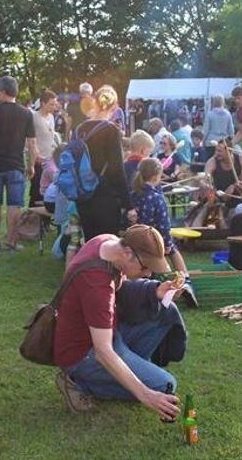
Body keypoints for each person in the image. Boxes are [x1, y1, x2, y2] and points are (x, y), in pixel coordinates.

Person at [52, 225, 183, 418]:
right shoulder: (96, 284)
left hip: (108, 335)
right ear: (128, 253)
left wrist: (154, 291)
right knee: (165, 386)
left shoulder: (107, 242)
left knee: (165, 311)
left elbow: (119, 289)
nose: (148, 273)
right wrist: (145, 394)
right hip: (82, 354)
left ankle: (122, 372)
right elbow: (103, 351)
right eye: (145, 266)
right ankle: (79, 383)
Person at [0, 75, 38, 251]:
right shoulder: (26, 113)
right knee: (14, 205)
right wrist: (31, 165)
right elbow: (32, 143)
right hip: (16, 164)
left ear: (3, 92)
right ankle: (11, 241)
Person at [129, 158, 197, 305]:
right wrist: (167, 243)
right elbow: (164, 224)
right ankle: (186, 282)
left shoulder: (133, 195)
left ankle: (141, 289)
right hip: (155, 240)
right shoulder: (156, 198)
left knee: (146, 268)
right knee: (173, 251)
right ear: (156, 177)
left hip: (136, 240)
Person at [73, 86, 130, 239]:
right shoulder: (111, 130)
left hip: (83, 193)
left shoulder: (79, 129)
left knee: (90, 241)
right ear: (114, 106)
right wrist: (128, 203)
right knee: (107, 242)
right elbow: (117, 169)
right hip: (105, 194)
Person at [30, 89, 60, 206]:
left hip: (50, 159)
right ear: (43, 103)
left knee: (48, 190)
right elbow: (29, 138)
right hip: (39, 160)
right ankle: (32, 214)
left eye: (55, 104)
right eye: (51, 104)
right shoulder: (34, 117)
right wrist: (35, 154)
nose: (54, 107)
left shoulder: (51, 117)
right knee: (36, 190)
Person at [204, 139, 242, 207]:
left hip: (238, 197)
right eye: (216, 150)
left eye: (219, 151)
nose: (216, 153)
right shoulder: (212, 161)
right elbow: (205, 179)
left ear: (229, 151)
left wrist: (233, 186)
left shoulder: (241, 159)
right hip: (218, 198)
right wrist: (209, 187)